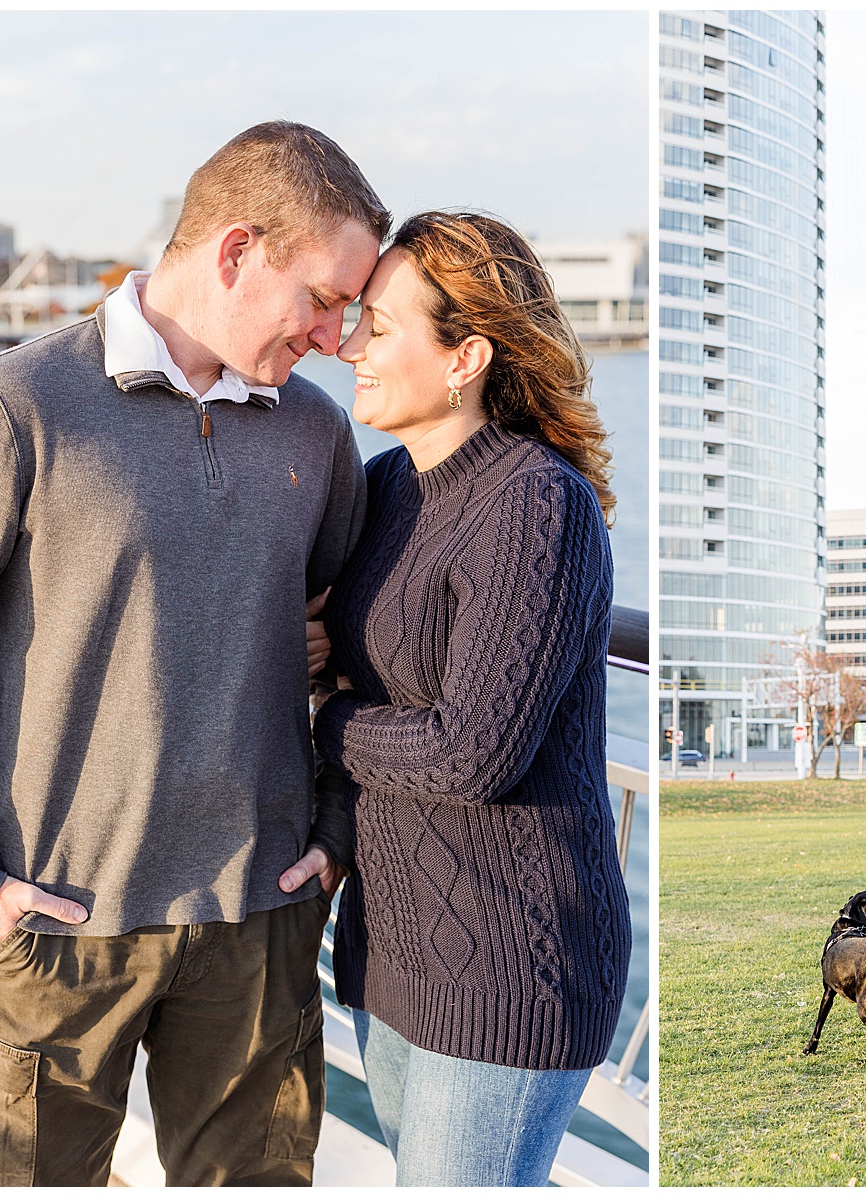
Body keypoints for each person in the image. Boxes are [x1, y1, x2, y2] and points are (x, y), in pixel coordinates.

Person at [0, 122, 391, 1185]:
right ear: (236, 251)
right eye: (325, 299)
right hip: (58, 924)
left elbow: (355, 656)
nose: (338, 336)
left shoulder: (317, 437)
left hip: (261, 920)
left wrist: (333, 835)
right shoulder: (14, 406)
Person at [287, 211, 632, 1186]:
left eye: (379, 328)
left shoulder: (536, 503)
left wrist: (318, 721)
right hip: (390, 946)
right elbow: (366, 672)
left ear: (463, 357)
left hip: (507, 962)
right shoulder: (386, 485)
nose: (347, 345)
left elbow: (470, 754)